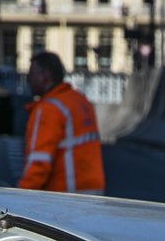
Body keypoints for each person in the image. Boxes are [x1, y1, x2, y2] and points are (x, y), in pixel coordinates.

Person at [17, 51, 105, 195]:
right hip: (92, 192)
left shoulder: (48, 109)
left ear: (45, 76)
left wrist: (19, 197)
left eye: (31, 74)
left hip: (64, 197)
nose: (28, 79)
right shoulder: (80, 101)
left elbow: (39, 163)